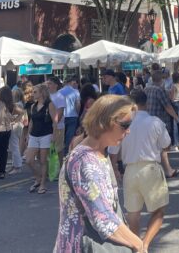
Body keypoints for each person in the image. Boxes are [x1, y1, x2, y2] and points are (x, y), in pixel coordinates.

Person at [55, 95, 146, 253]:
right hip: (83, 245)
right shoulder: (85, 162)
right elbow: (103, 218)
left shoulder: (98, 152)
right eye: (125, 125)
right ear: (105, 123)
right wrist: (138, 244)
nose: (128, 130)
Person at [122, 90, 171, 251]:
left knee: (133, 213)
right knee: (158, 211)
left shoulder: (123, 122)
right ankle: (145, 244)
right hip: (150, 168)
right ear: (147, 103)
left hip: (129, 169)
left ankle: (137, 246)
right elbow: (166, 144)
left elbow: (113, 150)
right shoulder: (155, 122)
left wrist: (115, 169)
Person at [143, 68, 179, 179]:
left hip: (148, 120)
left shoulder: (146, 89)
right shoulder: (159, 90)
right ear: (162, 80)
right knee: (163, 147)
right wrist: (176, 117)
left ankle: (159, 169)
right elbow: (167, 106)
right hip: (159, 121)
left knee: (152, 147)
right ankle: (167, 170)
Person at [26, 84, 56, 195]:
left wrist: (54, 134)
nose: (33, 94)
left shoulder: (49, 105)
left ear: (42, 93)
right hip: (34, 135)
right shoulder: (33, 106)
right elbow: (31, 121)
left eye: (35, 92)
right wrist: (28, 134)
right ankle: (38, 177)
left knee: (43, 161)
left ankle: (43, 184)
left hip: (46, 134)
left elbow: (55, 120)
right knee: (29, 160)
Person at [0, 87, 16, 179]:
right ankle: (2, 170)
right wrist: (14, 120)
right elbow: (21, 112)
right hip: (7, 129)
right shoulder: (11, 105)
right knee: (3, 151)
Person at [47, 77, 67, 164]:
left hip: (58, 126)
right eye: (48, 83)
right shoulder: (47, 96)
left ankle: (60, 168)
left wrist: (54, 124)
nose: (48, 85)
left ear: (56, 85)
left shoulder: (59, 96)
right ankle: (52, 170)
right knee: (50, 148)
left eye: (50, 83)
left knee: (58, 148)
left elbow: (60, 112)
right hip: (47, 127)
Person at [59, 76, 81, 156]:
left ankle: (61, 152)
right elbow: (78, 105)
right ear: (71, 83)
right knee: (69, 136)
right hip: (73, 116)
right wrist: (77, 114)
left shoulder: (59, 92)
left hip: (62, 116)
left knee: (62, 136)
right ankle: (67, 153)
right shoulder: (75, 92)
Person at [8, 88, 26, 175]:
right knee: (15, 145)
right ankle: (14, 165)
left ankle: (17, 166)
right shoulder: (21, 103)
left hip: (15, 125)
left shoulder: (16, 104)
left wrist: (15, 120)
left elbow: (21, 113)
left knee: (14, 146)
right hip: (19, 125)